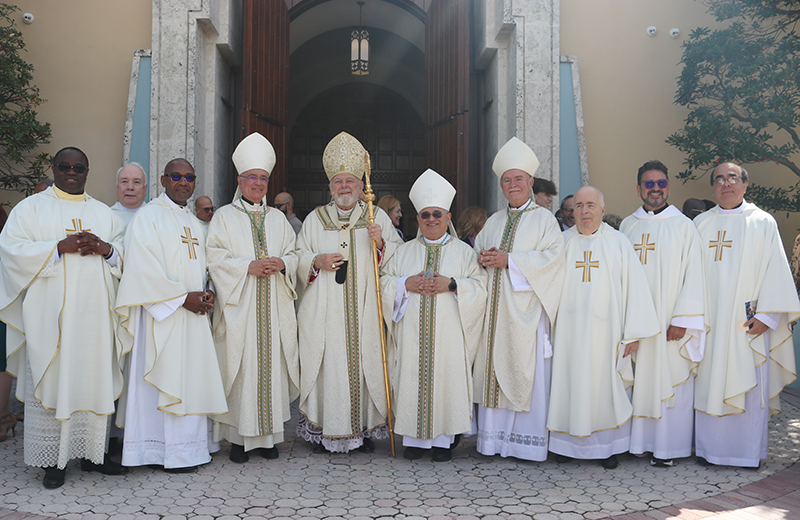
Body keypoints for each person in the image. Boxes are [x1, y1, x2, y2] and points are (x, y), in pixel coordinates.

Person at [0, 147, 128, 488]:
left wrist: (106, 249)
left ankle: (91, 456)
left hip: (96, 321)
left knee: (91, 380)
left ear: (88, 171)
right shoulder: (30, 209)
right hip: (50, 322)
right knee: (56, 380)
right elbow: (10, 251)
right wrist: (58, 247)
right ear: (53, 168)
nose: (72, 172)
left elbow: (125, 254)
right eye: (65, 166)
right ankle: (54, 463)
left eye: (79, 168)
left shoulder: (105, 215)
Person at [116, 158, 227, 472]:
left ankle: (189, 451)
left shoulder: (194, 223)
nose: (183, 182)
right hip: (160, 317)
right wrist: (181, 299)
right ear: (163, 180)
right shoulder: (148, 217)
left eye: (189, 177)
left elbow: (204, 266)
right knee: (160, 380)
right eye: (176, 176)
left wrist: (207, 291)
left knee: (190, 379)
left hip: (192, 319)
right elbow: (140, 268)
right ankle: (154, 452)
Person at [295, 131, 403, 453]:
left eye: (350, 182)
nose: (344, 187)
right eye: (338, 182)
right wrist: (316, 261)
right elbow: (298, 257)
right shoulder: (316, 219)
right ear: (330, 187)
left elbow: (396, 261)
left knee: (366, 364)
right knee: (328, 368)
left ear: (360, 186)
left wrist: (381, 243)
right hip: (325, 314)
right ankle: (325, 429)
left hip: (365, 312)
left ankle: (364, 430)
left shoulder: (376, 216)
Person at [693, 162, 800, 468]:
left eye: (733, 178)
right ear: (713, 187)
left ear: (745, 185)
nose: (726, 184)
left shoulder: (762, 222)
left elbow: (776, 271)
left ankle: (745, 453)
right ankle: (708, 450)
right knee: (709, 381)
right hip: (710, 322)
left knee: (749, 382)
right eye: (719, 180)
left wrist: (767, 317)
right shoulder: (701, 224)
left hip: (748, 324)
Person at [547, 186, 660, 469]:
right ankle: (565, 445)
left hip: (608, 335)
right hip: (568, 334)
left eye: (591, 205)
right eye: (579, 206)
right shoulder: (561, 243)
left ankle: (605, 447)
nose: (585, 211)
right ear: (572, 212)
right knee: (568, 383)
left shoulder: (619, 243)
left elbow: (636, 289)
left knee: (604, 387)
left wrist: (633, 333)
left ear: (602, 209)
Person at [381, 169, 486, 462]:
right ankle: (414, 441)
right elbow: (383, 283)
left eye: (437, 214)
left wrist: (452, 285)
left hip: (449, 336)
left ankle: (443, 441)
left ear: (448, 217)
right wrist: (405, 284)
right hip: (411, 335)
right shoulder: (403, 253)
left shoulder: (465, 254)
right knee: (411, 377)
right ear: (418, 219)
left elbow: (481, 288)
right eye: (425, 215)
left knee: (446, 379)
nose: (431, 219)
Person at [206, 133, 300, 463]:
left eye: (262, 178)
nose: (257, 183)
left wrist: (283, 263)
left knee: (269, 369)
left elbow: (296, 254)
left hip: (273, 309)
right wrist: (248, 266)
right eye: (252, 178)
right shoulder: (224, 217)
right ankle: (238, 441)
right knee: (241, 369)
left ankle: (268, 439)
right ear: (239, 180)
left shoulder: (278, 219)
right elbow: (214, 257)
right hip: (240, 309)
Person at [473, 137, 565, 461]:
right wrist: (483, 261)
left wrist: (509, 261)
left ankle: (526, 444)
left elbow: (554, 261)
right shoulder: (494, 222)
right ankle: (493, 442)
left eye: (518, 179)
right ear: (502, 185)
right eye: (507, 180)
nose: (513, 185)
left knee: (529, 376)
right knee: (494, 369)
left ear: (530, 182)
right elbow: (476, 261)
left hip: (527, 316)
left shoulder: (545, 220)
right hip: (495, 317)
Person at [620, 160, 707, 467]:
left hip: (670, 321)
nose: (654, 189)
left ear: (668, 187)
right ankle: (639, 444)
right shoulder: (627, 226)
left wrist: (683, 319)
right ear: (639, 188)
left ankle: (669, 449)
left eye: (660, 184)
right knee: (639, 378)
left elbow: (694, 274)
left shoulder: (684, 226)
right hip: (636, 324)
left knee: (670, 378)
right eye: (648, 183)